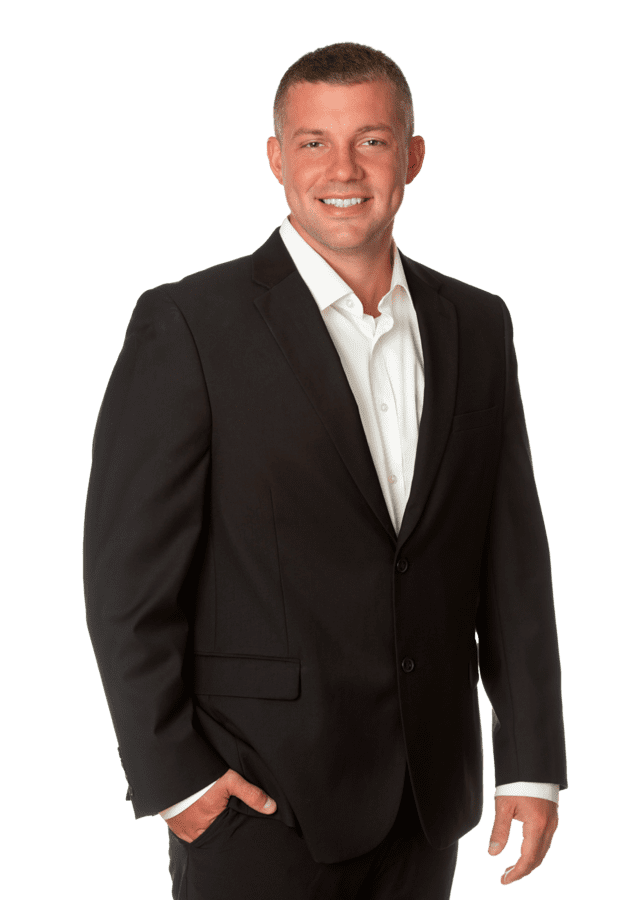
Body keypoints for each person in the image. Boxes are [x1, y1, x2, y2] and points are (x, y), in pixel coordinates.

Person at [83, 41, 567, 900]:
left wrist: (529, 762)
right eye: (313, 142)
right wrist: (177, 781)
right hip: (259, 797)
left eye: (371, 140)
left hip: (426, 797)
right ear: (277, 158)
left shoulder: (477, 325)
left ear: (412, 156)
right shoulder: (190, 324)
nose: (342, 169)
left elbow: (510, 558)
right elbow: (127, 578)